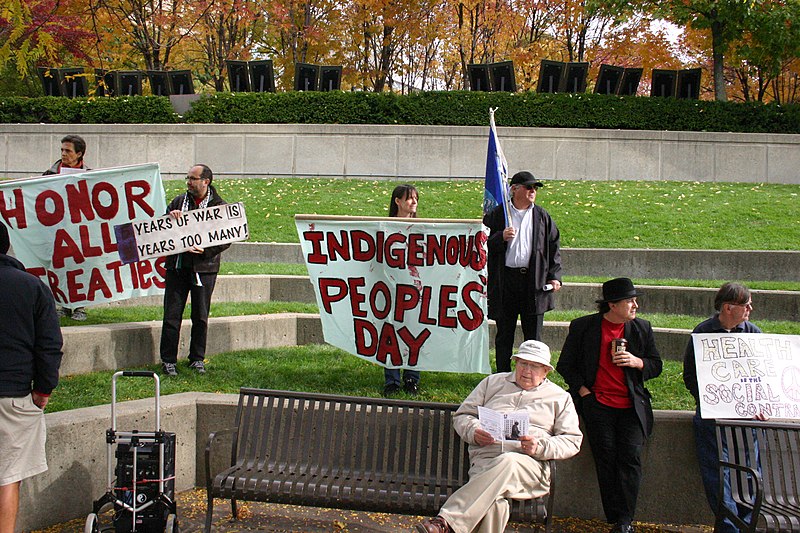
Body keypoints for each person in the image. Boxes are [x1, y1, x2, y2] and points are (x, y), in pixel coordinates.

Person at [416, 340, 582, 533]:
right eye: (522, 363)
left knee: (509, 460)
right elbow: (463, 416)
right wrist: (474, 431)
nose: (526, 370)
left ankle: (446, 522)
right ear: (516, 363)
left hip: (530, 467)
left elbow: (572, 440)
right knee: (494, 505)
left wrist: (539, 446)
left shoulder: (559, 397)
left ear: (546, 370)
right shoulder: (492, 383)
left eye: (534, 366)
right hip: (486, 462)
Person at [556, 277, 662, 533]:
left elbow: (655, 365)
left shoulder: (641, 329)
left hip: (630, 406)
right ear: (612, 305)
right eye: (630, 301)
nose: (635, 305)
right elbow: (565, 365)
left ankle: (626, 520)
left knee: (631, 458)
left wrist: (638, 363)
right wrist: (585, 392)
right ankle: (614, 516)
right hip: (598, 404)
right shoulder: (584, 327)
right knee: (606, 458)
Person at [683, 283, 761, 533]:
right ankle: (727, 526)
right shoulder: (703, 332)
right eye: (745, 304)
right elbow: (691, 375)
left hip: (746, 419)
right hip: (712, 418)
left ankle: (747, 523)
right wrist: (709, 400)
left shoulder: (754, 333)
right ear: (728, 307)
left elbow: (762, 376)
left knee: (750, 473)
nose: (750, 308)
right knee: (718, 474)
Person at [0, 222, 64, 533]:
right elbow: (49, 345)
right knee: (8, 477)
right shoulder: (32, 287)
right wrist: (44, 389)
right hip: (15, 395)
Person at [483, 171, 562, 373]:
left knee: (533, 335)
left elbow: (554, 247)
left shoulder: (542, 216)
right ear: (514, 189)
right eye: (528, 187)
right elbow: (482, 245)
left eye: (535, 188)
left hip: (533, 282)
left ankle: (532, 374)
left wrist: (554, 276)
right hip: (506, 281)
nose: (532, 191)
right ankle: (501, 374)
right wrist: (500, 237)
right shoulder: (498, 215)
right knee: (504, 334)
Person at [159, 164, 230, 376]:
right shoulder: (179, 201)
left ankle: (197, 359)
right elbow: (162, 230)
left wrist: (206, 250)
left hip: (204, 269)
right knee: (172, 314)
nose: (189, 182)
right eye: (188, 178)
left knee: (200, 316)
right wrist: (170, 219)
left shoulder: (219, 206)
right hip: (178, 267)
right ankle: (168, 360)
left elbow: (227, 237)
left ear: (205, 182)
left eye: (193, 178)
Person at [43, 134, 91, 320]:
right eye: (62, 150)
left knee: (81, 267)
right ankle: (62, 304)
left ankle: (80, 306)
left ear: (79, 154)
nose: (63, 154)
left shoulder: (91, 176)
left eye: (68, 151)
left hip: (80, 231)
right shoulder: (49, 174)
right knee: (60, 266)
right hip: (57, 230)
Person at [383, 184, 421, 396]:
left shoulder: (425, 227)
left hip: (416, 291)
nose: (413, 202)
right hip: (391, 289)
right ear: (397, 201)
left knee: (415, 332)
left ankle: (411, 378)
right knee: (390, 334)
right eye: (409, 198)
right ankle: (391, 380)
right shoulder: (385, 226)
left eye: (416, 198)